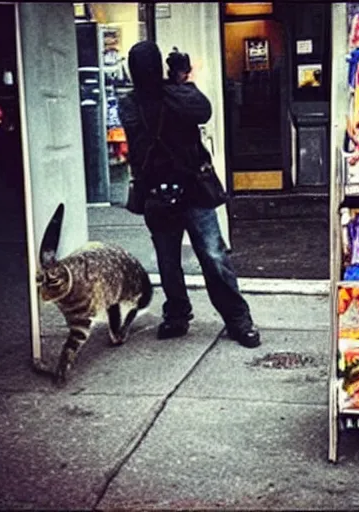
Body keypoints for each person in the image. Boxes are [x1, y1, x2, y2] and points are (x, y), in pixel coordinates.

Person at [118, 41, 261, 348]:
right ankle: (178, 313)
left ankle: (237, 318)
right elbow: (141, 133)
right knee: (168, 262)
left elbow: (203, 111)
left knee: (214, 256)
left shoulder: (175, 94)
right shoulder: (131, 104)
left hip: (193, 189)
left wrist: (177, 81)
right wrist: (176, 83)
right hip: (158, 192)